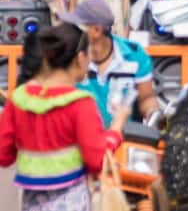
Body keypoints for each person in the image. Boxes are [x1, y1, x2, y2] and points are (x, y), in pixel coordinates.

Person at [0, 24, 128, 211]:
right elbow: (97, 160)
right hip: (72, 201)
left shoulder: (19, 98)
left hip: (30, 203)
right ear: (80, 58)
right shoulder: (80, 104)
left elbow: (4, 156)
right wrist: (116, 129)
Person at [65, 0, 158, 128]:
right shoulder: (69, 55)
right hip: (81, 139)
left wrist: (153, 114)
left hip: (123, 140)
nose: (70, 32)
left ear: (96, 30)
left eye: (76, 27)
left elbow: (147, 98)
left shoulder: (134, 55)